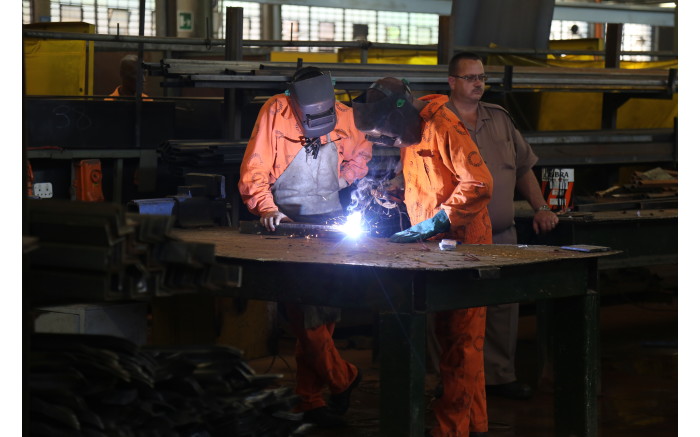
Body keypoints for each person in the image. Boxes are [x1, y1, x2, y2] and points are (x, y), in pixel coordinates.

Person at [353, 77, 493, 437]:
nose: (393, 144)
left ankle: (449, 430)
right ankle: (474, 425)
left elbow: (479, 183)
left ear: (401, 115)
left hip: (466, 249)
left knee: (462, 342)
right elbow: (426, 182)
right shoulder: (411, 134)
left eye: (391, 136)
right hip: (434, 249)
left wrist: (438, 221)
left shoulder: (444, 125)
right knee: (453, 339)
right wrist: (392, 193)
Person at [238, 66, 371, 427]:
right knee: (304, 318)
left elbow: (361, 155)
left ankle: (309, 400)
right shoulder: (276, 111)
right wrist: (265, 207)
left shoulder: (346, 116)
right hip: (288, 226)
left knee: (322, 316)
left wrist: (345, 177)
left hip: (330, 224)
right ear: (293, 100)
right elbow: (255, 167)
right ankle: (343, 376)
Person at [444, 51, 560, 401]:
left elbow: (523, 168)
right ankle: (453, 381)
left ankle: (498, 377)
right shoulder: (438, 120)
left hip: (501, 233)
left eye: (481, 77)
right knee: (455, 310)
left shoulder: (499, 119)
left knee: (501, 310)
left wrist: (541, 207)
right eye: (470, 77)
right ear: (452, 82)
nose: (478, 83)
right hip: (455, 238)